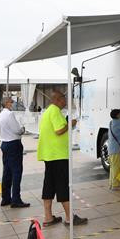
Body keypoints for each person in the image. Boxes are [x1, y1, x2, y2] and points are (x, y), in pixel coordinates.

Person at [37, 90, 86, 227]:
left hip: (49, 155)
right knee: (63, 185)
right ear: (58, 99)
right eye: (64, 99)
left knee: (49, 185)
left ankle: (48, 217)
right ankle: (70, 218)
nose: (65, 101)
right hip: (58, 155)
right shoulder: (55, 111)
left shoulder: (47, 111)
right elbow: (59, 130)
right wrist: (71, 124)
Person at [0, 97, 29, 208]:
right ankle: (16, 199)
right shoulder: (9, 114)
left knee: (7, 172)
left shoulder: (1, 114)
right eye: (12, 102)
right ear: (7, 103)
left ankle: (6, 198)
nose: (13, 104)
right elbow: (17, 130)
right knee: (16, 172)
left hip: (5, 143)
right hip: (13, 144)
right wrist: (22, 129)